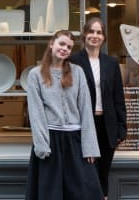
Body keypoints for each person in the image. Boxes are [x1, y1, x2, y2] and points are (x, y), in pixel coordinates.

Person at [25, 30, 102, 200]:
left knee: (83, 191)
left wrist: (90, 147)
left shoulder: (78, 72)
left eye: (69, 47)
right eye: (62, 44)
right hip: (50, 141)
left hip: (75, 141)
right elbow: (36, 113)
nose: (65, 49)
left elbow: (86, 109)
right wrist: (42, 146)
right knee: (51, 193)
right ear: (51, 43)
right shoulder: (35, 75)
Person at [70, 17, 127, 200]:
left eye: (99, 32)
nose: (95, 36)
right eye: (91, 31)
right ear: (84, 35)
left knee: (103, 171)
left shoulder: (111, 63)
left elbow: (118, 97)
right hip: (83, 124)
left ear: (104, 37)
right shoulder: (73, 61)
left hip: (107, 124)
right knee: (86, 171)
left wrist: (122, 127)